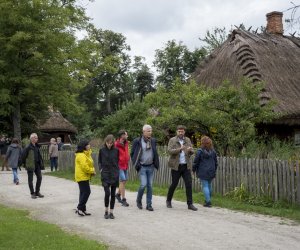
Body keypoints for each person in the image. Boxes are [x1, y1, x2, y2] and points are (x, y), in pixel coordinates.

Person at [166, 125, 198, 211]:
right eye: (179, 131)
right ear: (177, 132)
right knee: (174, 184)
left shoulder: (187, 140)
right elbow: (169, 151)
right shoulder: (172, 140)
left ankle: (190, 204)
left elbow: (191, 151)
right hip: (176, 166)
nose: (181, 133)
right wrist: (179, 149)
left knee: (189, 184)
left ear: (184, 132)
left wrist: (191, 151)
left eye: (182, 131)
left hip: (186, 166)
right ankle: (168, 200)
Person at [131, 124, 159, 211]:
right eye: (148, 131)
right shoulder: (137, 141)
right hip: (142, 167)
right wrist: (137, 164)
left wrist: (155, 163)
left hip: (150, 166)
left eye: (151, 131)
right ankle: (138, 200)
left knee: (150, 186)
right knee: (143, 184)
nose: (150, 132)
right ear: (143, 132)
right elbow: (132, 154)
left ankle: (149, 204)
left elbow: (155, 152)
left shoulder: (153, 141)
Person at [192, 136, 218, 207]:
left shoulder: (199, 151)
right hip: (211, 170)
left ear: (202, 143)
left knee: (205, 186)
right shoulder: (213, 151)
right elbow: (216, 162)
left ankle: (208, 202)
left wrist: (193, 170)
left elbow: (196, 162)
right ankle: (207, 200)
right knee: (209, 185)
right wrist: (214, 169)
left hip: (203, 171)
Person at [98, 135, 119, 219]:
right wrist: (100, 169)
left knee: (113, 194)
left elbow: (117, 161)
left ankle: (111, 212)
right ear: (105, 142)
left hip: (114, 174)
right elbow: (99, 161)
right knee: (107, 193)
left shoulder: (116, 150)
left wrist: (117, 171)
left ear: (113, 142)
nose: (109, 144)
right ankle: (106, 211)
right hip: (105, 174)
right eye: (108, 143)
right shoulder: (102, 150)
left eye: (111, 143)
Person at [75, 139, 95, 216]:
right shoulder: (81, 155)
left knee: (83, 192)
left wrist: (91, 171)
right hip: (82, 176)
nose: (89, 145)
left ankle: (83, 209)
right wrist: (92, 171)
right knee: (87, 192)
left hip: (84, 176)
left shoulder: (86, 154)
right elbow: (85, 167)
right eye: (88, 144)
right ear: (84, 146)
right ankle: (79, 208)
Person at [21, 133, 44, 199]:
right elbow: (23, 156)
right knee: (30, 180)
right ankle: (32, 193)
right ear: (32, 139)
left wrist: (41, 163)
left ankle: (37, 192)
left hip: (37, 165)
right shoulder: (28, 147)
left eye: (37, 137)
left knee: (39, 177)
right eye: (35, 137)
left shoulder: (37, 146)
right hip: (30, 165)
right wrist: (24, 164)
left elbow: (39, 155)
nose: (37, 139)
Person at [115, 130, 130, 207]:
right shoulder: (116, 144)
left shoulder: (126, 143)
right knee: (122, 180)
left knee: (124, 181)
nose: (127, 136)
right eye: (126, 135)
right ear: (122, 136)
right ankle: (123, 199)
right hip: (119, 165)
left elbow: (127, 152)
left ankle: (118, 194)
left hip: (125, 164)